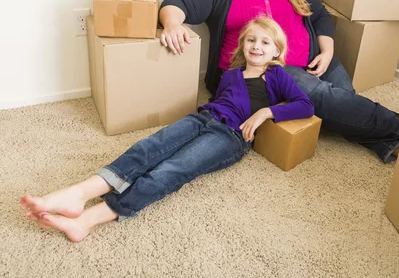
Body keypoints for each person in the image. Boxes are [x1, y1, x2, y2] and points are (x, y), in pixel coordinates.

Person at [20, 17, 314, 242]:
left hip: (230, 136)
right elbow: (217, 101)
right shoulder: (231, 74)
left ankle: (87, 220)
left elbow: (305, 105)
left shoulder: (275, 75)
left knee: (172, 168)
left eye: (265, 42)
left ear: (276, 50)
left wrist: (266, 112)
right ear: (242, 44)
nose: (256, 47)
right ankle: (80, 192)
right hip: (202, 119)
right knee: (148, 148)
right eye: (251, 40)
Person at [158, 0, 399, 163]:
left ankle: (387, 143)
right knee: (326, 99)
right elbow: (175, 2)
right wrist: (173, 24)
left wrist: (327, 52)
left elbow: (319, 15)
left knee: (345, 102)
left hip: (312, 57)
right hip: (266, 70)